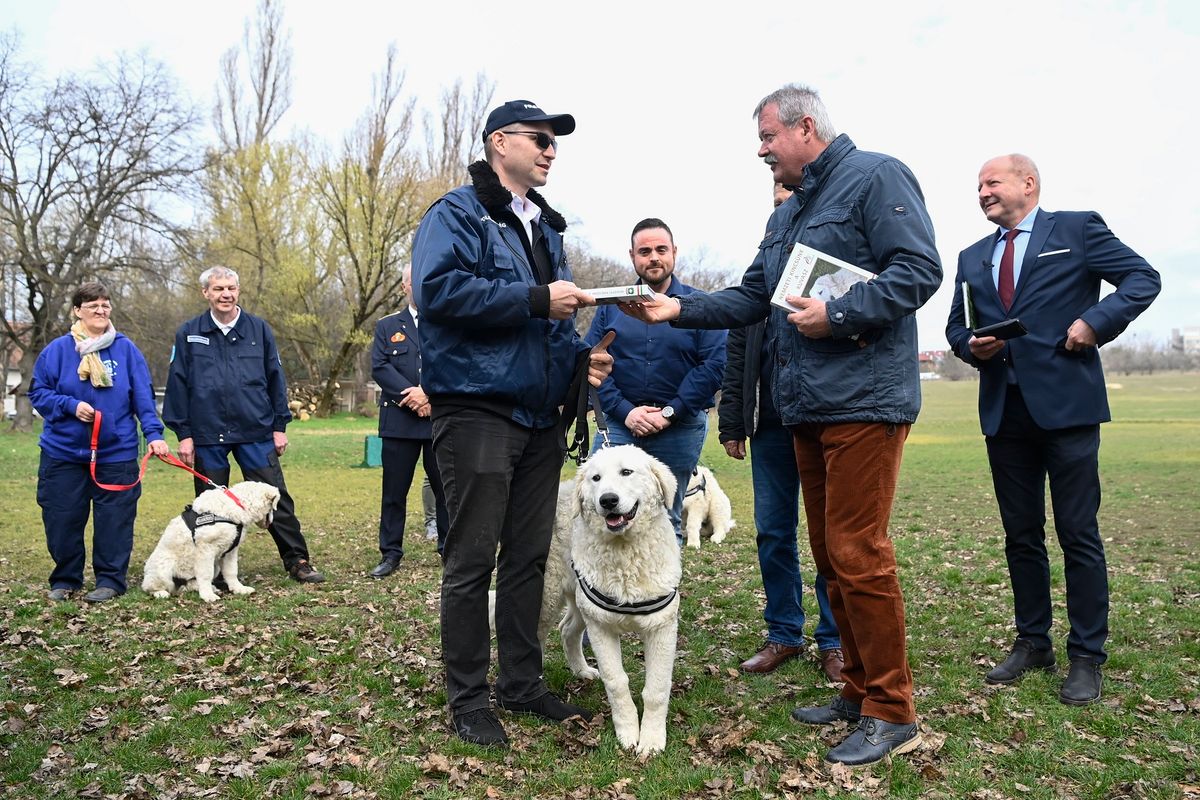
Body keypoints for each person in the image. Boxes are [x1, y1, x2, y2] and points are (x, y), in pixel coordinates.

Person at [621, 83, 941, 767]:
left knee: (859, 552)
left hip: (864, 402)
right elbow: (749, 297)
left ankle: (893, 709)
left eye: (767, 136)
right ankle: (857, 690)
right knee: (832, 556)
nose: (761, 150)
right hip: (808, 411)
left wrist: (841, 315)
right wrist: (679, 310)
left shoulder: (875, 176)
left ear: (804, 127)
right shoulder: (790, 213)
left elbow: (919, 270)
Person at [412, 99, 613, 748]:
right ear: (501, 143)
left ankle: (522, 686)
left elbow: (549, 328)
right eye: (540, 139)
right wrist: (534, 298)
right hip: (475, 410)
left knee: (528, 557)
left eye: (556, 143)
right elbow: (436, 293)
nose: (551, 150)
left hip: (539, 420)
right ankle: (469, 700)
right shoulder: (457, 214)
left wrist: (583, 368)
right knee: (471, 560)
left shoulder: (545, 230)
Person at [945, 154, 1160, 705]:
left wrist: (1096, 322)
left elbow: (1143, 278)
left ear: (1028, 183)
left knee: (1077, 533)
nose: (983, 192)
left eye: (991, 182)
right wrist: (972, 346)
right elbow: (957, 325)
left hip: (1067, 408)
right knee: (1021, 536)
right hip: (1003, 410)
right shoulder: (972, 256)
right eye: (978, 186)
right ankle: (1032, 642)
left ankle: (1087, 656)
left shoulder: (1078, 228)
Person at [718, 183, 842, 680]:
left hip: (820, 420)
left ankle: (834, 640)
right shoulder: (760, 275)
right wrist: (732, 422)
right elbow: (735, 358)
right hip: (769, 425)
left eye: (793, 195)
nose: (785, 202)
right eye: (778, 197)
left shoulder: (824, 273)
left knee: (830, 535)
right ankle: (784, 633)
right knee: (773, 531)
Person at [162, 266, 325, 585]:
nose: (225, 294)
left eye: (231, 288)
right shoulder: (189, 333)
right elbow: (178, 384)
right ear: (205, 293)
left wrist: (279, 426)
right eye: (218, 289)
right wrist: (184, 435)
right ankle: (213, 571)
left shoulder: (259, 329)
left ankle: (297, 560)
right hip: (208, 433)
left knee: (275, 497)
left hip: (256, 430)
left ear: (238, 290)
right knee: (211, 505)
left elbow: (276, 379)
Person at [584, 218, 726, 545]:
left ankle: (663, 594)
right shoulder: (611, 308)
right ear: (632, 256)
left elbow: (714, 366)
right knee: (602, 510)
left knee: (667, 514)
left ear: (674, 252)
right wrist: (626, 412)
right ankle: (607, 593)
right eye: (644, 251)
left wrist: (668, 413)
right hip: (620, 425)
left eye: (661, 249)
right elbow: (593, 363)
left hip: (680, 426)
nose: (653, 257)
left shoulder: (700, 306)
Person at [29, 282, 170, 603]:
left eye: (105, 305)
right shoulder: (57, 351)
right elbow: (38, 393)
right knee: (61, 517)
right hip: (63, 453)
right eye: (92, 305)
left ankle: (110, 580)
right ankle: (66, 579)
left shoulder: (125, 349)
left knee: (114, 520)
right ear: (77, 311)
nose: (100, 311)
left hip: (115, 452)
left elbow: (143, 397)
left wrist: (154, 435)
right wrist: (69, 406)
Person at [369, 265, 448, 577]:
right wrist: (412, 396)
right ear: (404, 287)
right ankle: (390, 553)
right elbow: (380, 366)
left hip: (437, 420)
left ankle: (448, 549)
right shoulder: (388, 326)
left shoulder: (447, 324)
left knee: (445, 489)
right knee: (393, 493)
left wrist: (428, 392)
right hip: (399, 421)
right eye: (415, 283)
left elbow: (454, 363)